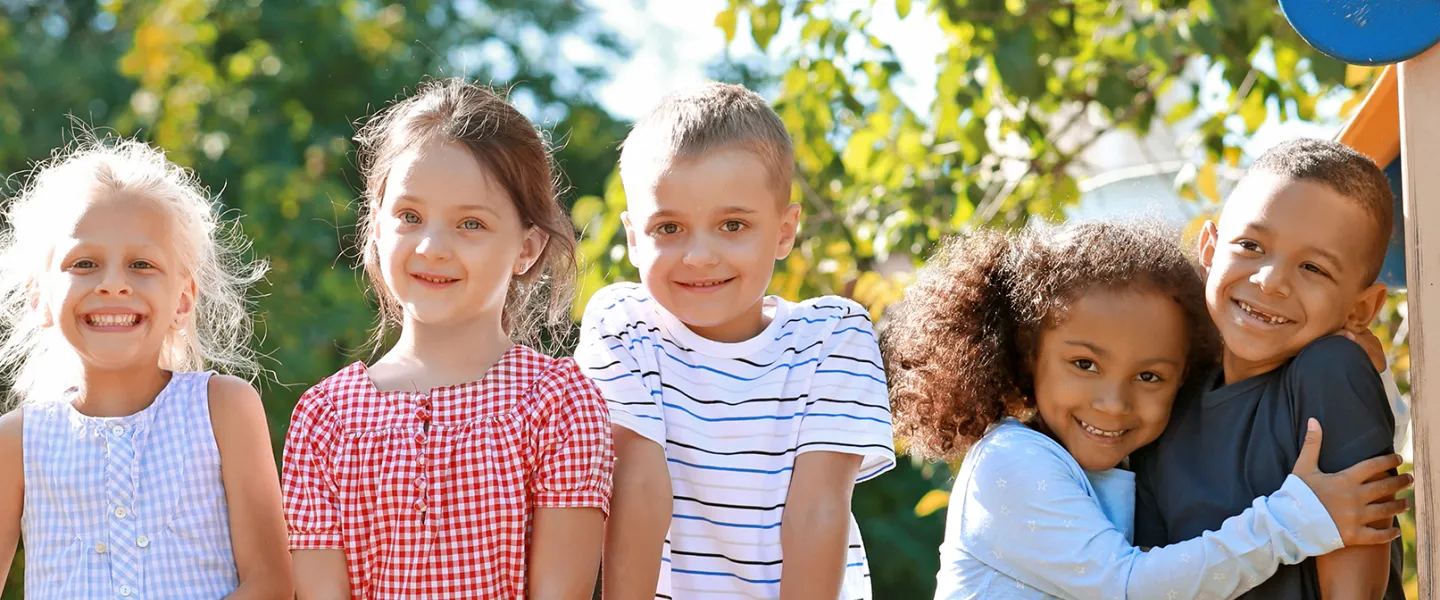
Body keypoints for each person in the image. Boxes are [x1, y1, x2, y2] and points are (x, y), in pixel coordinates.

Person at [882, 220, 1411, 599]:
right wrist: (1293, 520)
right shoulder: (1010, 461)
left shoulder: (1122, 460)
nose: (1114, 403)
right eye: (1085, 364)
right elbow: (1128, 587)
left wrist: (1370, 379)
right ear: (1027, 356)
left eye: (1150, 376)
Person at [281, 79, 612, 599]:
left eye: (471, 224)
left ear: (526, 248)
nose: (433, 247)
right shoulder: (325, 419)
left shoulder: (559, 403)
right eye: (410, 217)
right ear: (376, 227)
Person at [577, 82, 895, 599]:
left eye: (731, 225)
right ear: (634, 238)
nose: (699, 256)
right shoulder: (624, 324)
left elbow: (818, 508)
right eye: (669, 228)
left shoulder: (833, 334)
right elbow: (637, 484)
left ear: (785, 230)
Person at [0, 135, 292, 598]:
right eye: (84, 263)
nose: (113, 284)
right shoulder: (16, 440)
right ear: (40, 299)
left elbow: (271, 581)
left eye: (140, 264)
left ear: (182, 299)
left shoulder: (224, 408)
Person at [1133, 138, 1410, 598]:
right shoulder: (1166, 387)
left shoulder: (1331, 371)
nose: (1271, 281)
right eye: (1250, 245)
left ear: (1362, 309)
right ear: (1209, 248)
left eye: (1313, 268)